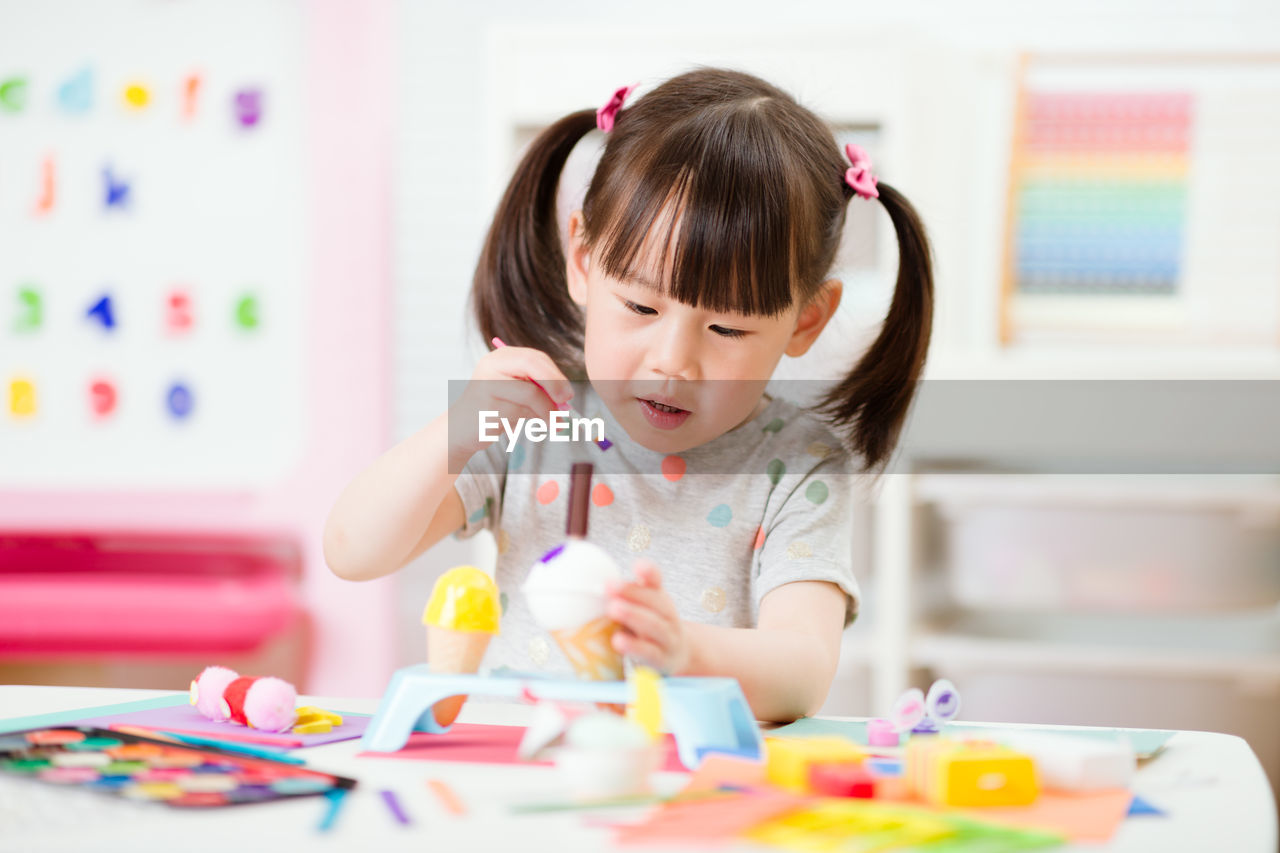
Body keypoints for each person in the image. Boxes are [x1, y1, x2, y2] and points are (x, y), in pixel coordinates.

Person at [324, 68, 933, 721]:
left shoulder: (794, 466)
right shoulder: (542, 424)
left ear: (806, 319)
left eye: (726, 327)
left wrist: (683, 648)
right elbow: (354, 551)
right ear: (583, 262)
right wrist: (455, 433)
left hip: (689, 792)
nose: (673, 360)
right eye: (641, 305)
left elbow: (803, 672)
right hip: (516, 774)